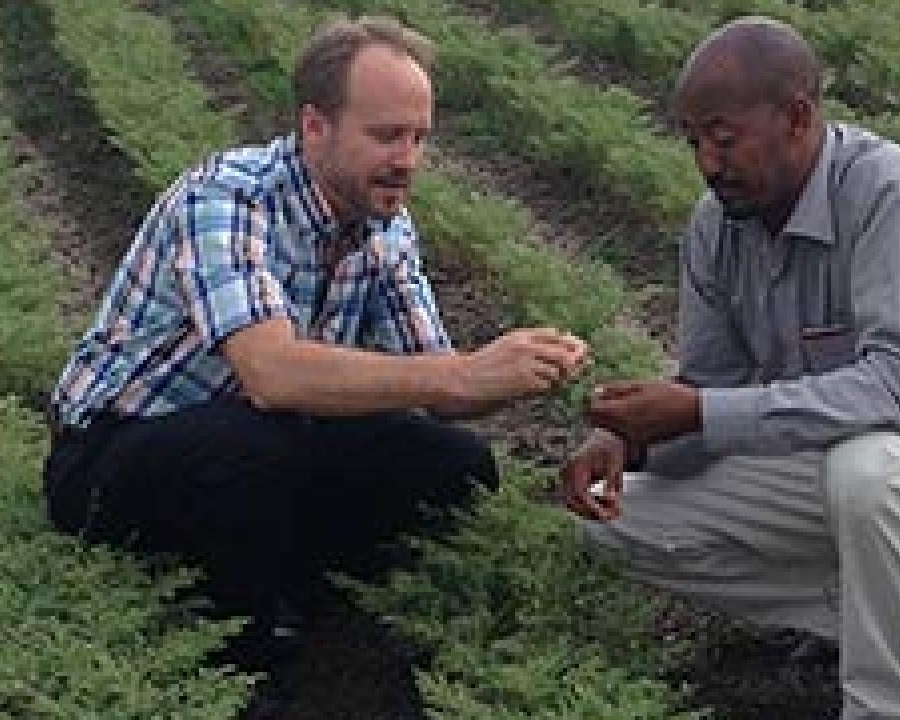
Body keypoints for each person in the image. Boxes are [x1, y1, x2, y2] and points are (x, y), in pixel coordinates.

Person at [44, 15, 588, 668]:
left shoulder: (385, 222)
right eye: (387, 135)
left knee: (455, 466)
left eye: (419, 138)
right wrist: (461, 374)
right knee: (250, 449)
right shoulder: (227, 197)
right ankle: (238, 656)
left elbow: (439, 382)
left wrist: (522, 369)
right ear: (314, 127)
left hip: (269, 438)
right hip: (116, 448)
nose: (407, 160)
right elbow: (271, 372)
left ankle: (308, 590)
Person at [560, 17, 900, 720]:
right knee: (614, 521)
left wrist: (698, 412)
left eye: (724, 138)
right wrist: (634, 441)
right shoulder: (715, 226)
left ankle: (893, 703)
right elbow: (712, 397)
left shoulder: (888, 190)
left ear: (797, 118)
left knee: (873, 469)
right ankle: (871, 619)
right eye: (694, 141)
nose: (706, 161)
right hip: (839, 469)